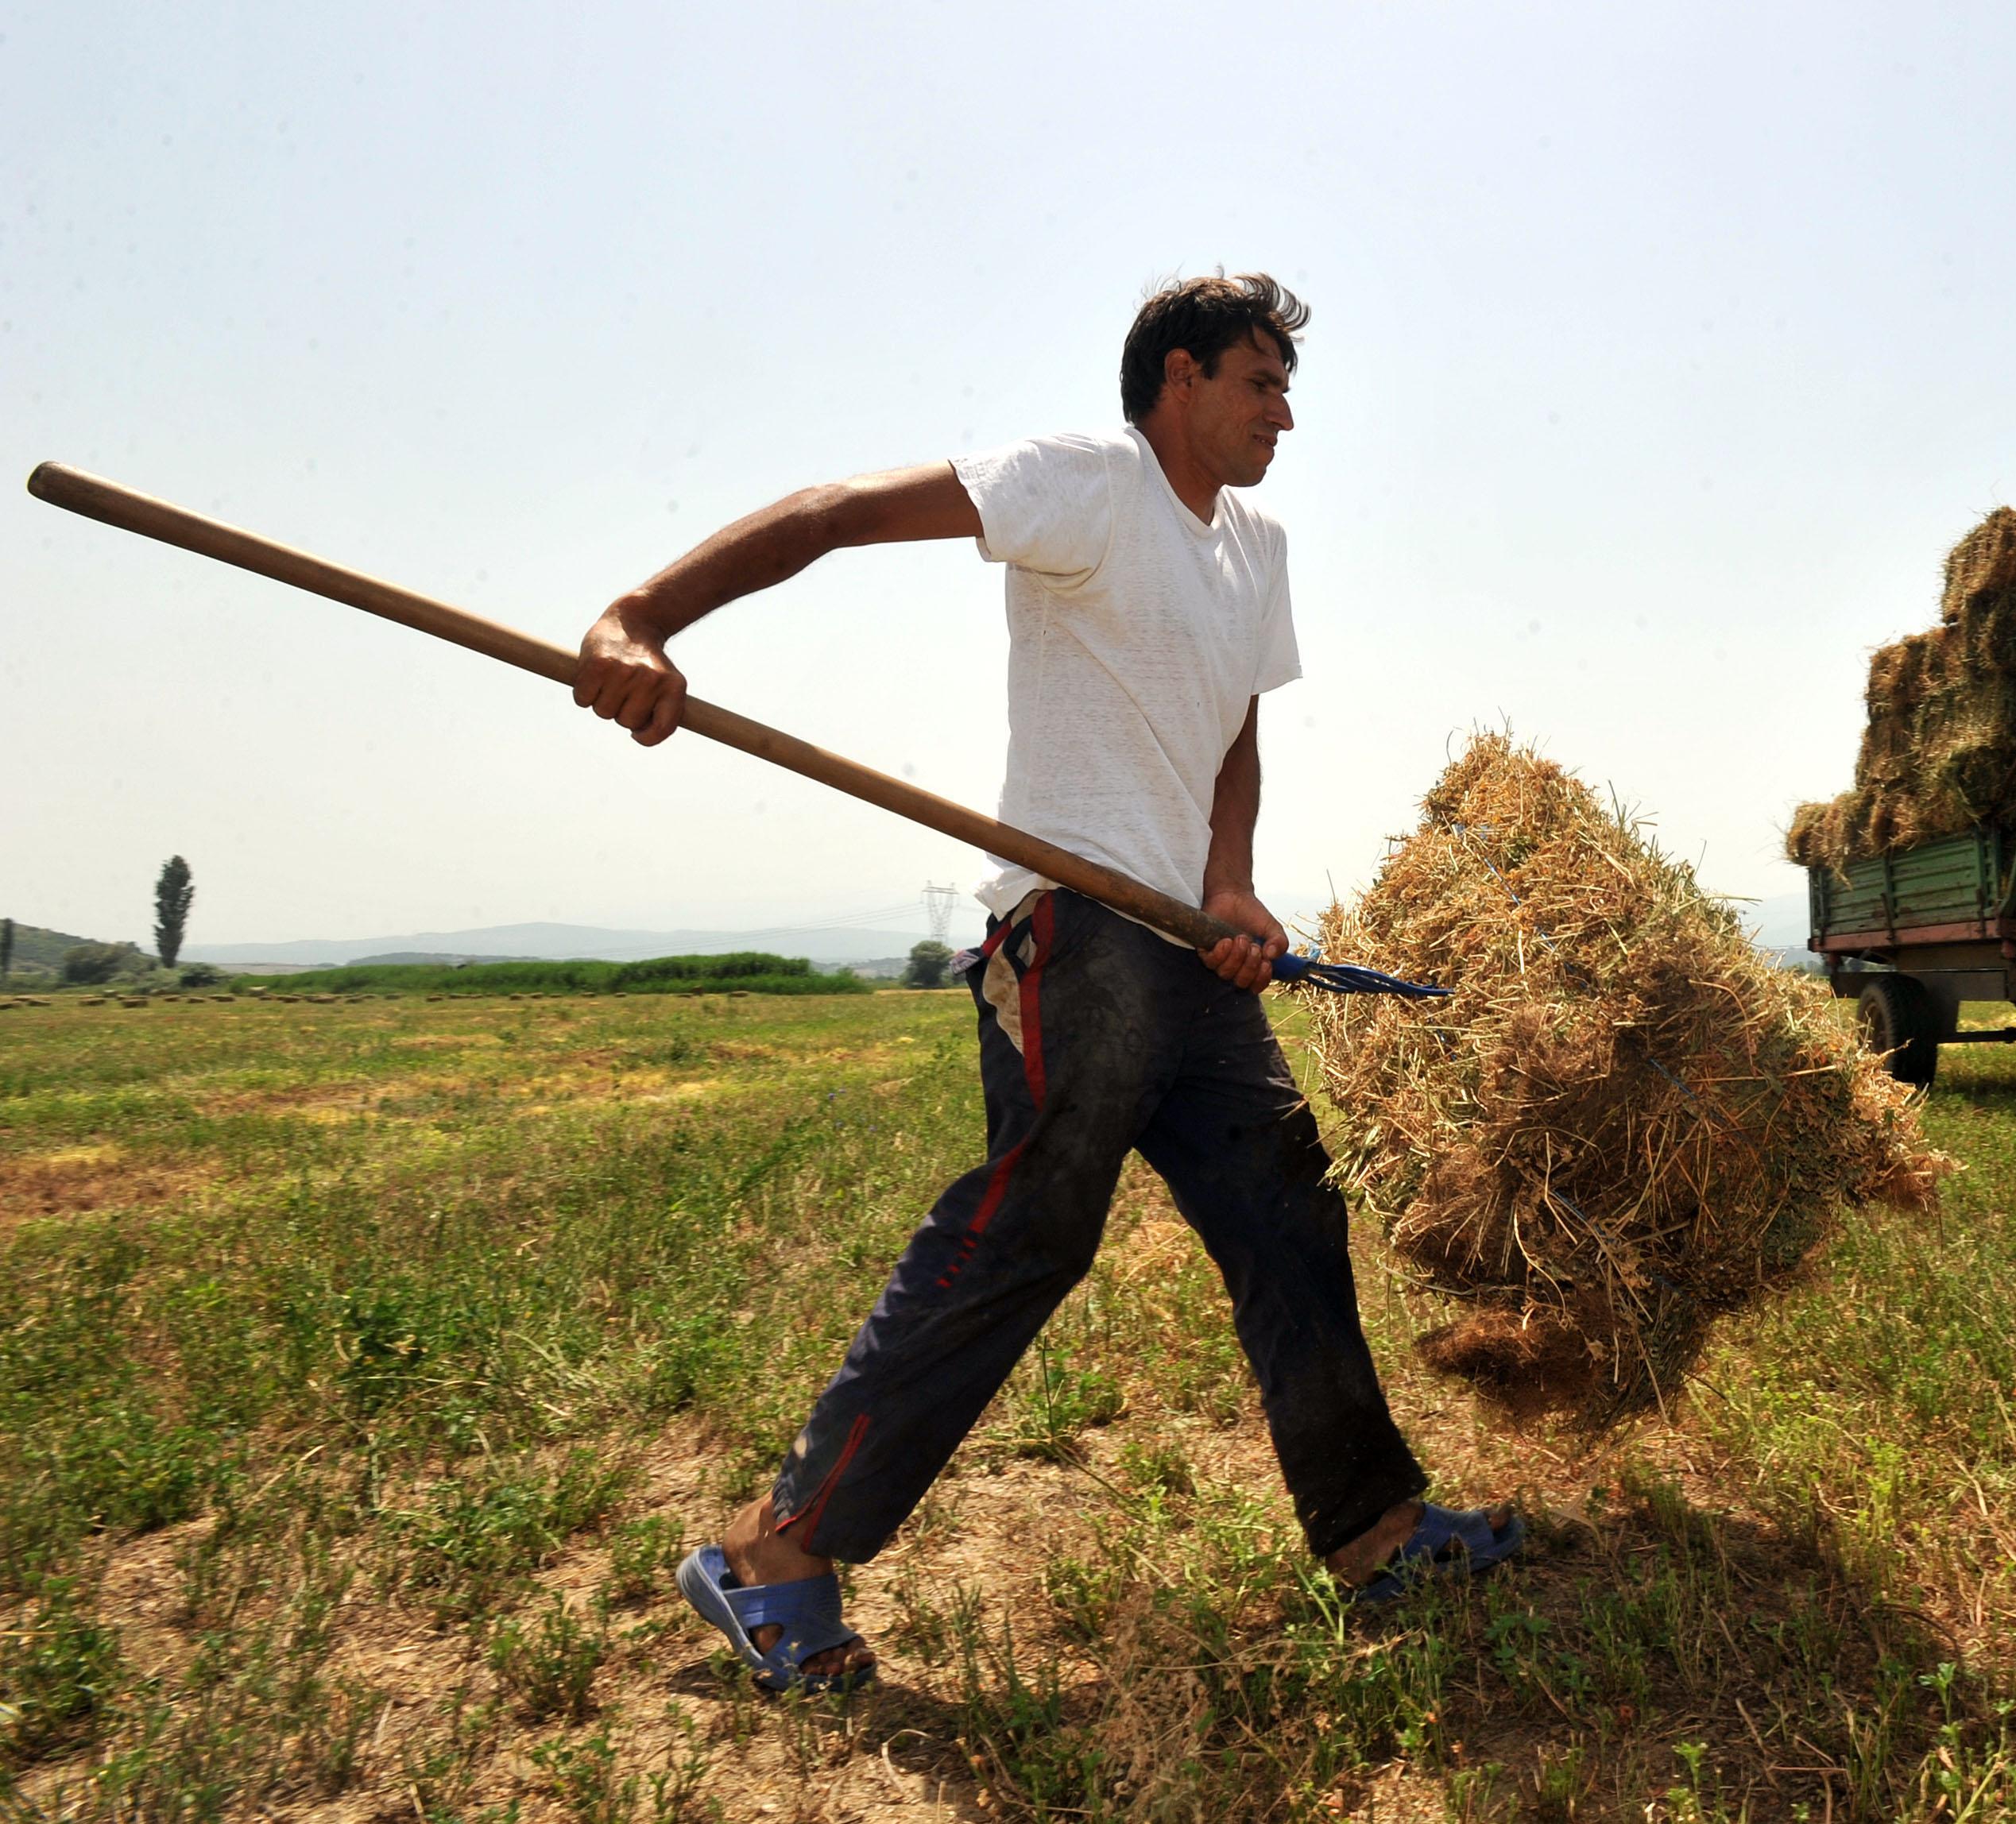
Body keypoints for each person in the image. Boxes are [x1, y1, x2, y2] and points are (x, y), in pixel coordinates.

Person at [571, 274, 1518, 1695]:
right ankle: (771, 1557)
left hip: (1190, 952)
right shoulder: (1085, 481)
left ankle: (1374, 1530)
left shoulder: (1256, 544)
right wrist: (642, 616)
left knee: (1287, 1207)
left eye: (1286, 387)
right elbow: (833, 512)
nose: (1285, 413)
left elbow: (1234, 734)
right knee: (1031, 1229)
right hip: (1073, 930)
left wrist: (1231, 882)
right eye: (1260, 383)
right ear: (1179, 378)